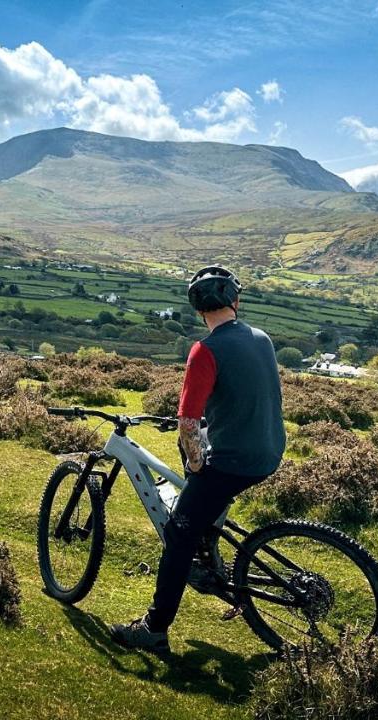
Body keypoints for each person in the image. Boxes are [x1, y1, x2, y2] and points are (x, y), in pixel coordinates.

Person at [110, 265, 287, 653]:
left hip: (234, 460)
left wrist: (195, 467)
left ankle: (154, 630)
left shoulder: (205, 350)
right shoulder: (261, 338)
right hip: (270, 449)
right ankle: (206, 533)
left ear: (197, 310)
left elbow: (187, 422)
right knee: (201, 463)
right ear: (235, 301)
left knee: (177, 535)